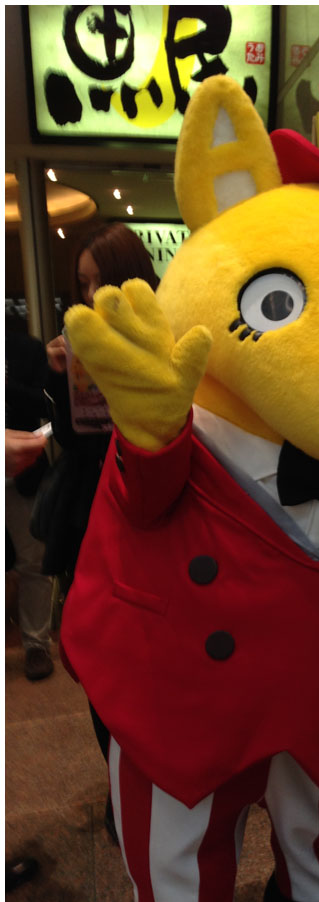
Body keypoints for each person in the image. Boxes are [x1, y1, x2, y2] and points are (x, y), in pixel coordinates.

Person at [41, 223, 159, 842]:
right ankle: (122, 791)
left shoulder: (161, 336)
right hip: (90, 518)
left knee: (153, 664)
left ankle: (159, 781)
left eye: (101, 282)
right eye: (82, 285)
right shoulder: (78, 345)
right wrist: (62, 379)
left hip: (150, 521)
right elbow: (75, 442)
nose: (90, 297)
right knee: (99, 664)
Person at [5, 321, 54, 682]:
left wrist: (6, 387)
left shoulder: (26, 348)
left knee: (34, 560)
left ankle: (37, 644)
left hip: (23, 469)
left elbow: (48, 403)